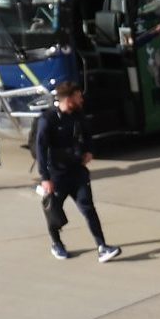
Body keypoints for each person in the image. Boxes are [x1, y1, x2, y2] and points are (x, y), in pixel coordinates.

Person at [34, 82, 120, 262]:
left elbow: (88, 135)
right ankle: (57, 244)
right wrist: (45, 178)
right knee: (54, 211)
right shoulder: (48, 119)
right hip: (56, 175)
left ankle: (102, 246)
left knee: (88, 208)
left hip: (77, 171)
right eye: (78, 96)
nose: (82, 99)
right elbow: (40, 149)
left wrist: (89, 151)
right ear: (69, 98)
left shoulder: (78, 115)